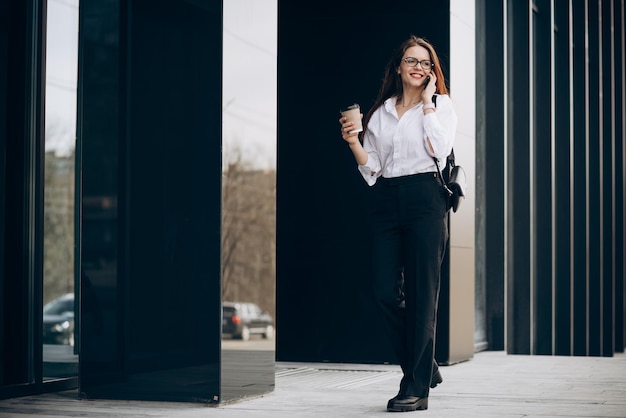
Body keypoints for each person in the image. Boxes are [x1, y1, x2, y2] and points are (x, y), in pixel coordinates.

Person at [338, 35, 457, 412]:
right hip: (388, 199)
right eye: (411, 60)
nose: (418, 67)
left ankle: (415, 388)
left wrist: (427, 106)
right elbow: (372, 168)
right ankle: (426, 365)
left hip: (426, 197)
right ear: (398, 66)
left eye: (425, 62)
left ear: (432, 71)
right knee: (384, 291)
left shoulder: (441, 106)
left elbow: (440, 148)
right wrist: (354, 141)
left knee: (423, 294)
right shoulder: (381, 111)